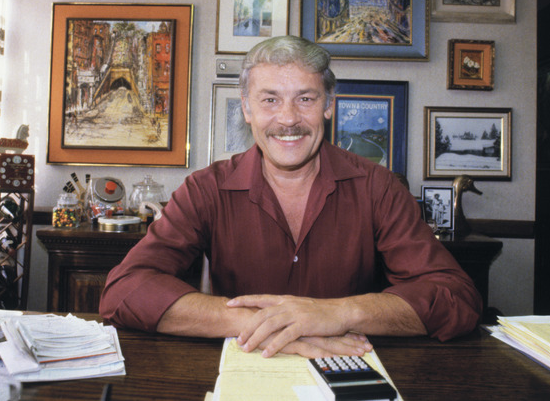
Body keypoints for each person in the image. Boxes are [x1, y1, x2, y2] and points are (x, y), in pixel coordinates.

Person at [100, 35, 481, 359]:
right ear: (246, 109)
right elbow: (125, 290)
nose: (287, 119)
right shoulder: (206, 189)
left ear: (329, 106)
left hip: (351, 365)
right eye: (269, 100)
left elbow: (456, 298)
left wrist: (339, 313)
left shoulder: (378, 187)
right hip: (248, 363)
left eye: (305, 99)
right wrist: (264, 323)